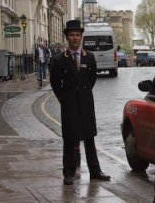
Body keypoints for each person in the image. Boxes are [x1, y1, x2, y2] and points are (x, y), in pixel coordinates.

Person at [50, 20, 110, 185]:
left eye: (77, 35)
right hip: (69, 105)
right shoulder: (59, 59)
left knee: (89, 138)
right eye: (72, 35)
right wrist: (65, 99)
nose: (75, 38)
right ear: (67, 38)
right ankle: (68, 173)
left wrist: (83, 94)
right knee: (69, 139)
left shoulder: (89, 57)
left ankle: (95, 171)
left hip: (86, 104)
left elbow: (92, 80)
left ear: (81, 37)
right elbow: (55, 84)